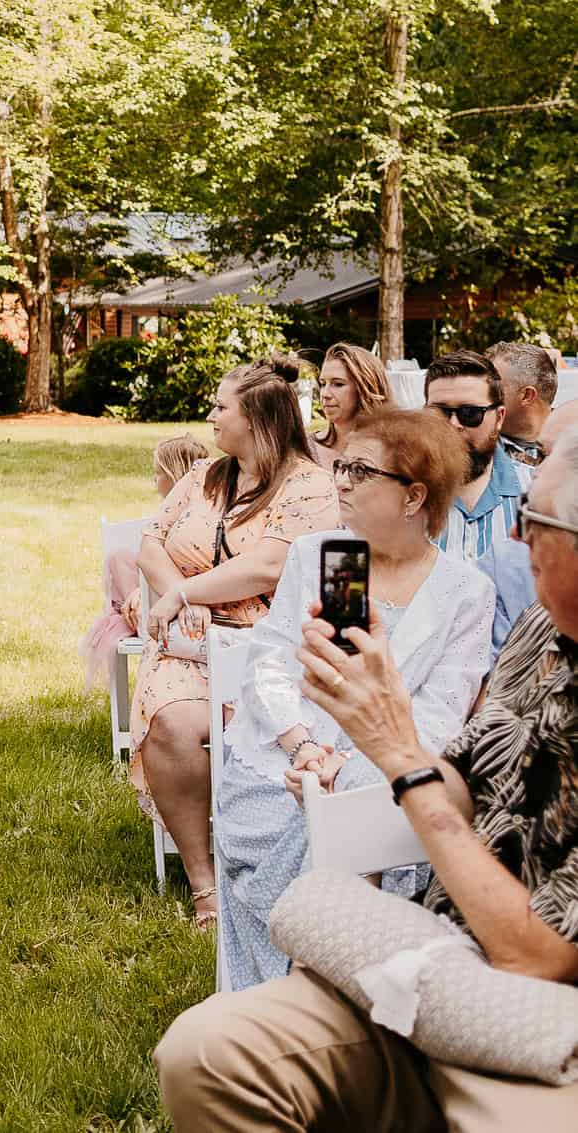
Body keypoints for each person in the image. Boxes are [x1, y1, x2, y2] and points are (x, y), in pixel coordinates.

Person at [154, 430, 578, 1131]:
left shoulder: (464, 589)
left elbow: (537, 954)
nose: (515, 532)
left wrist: (392, 756)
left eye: (536, 519)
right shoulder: (537, 629)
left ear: (414, 496)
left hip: (535, 1010)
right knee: (201, 1052)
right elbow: (459, 764)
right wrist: (333, 751)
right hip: (431, 942)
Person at [213, 410, 493, 989]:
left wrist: (350, 768)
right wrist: (306, 747)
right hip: (280, 764)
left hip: (384, 777)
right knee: (336, 839)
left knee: (365, 829)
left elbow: (439, 717)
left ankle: (307, 992)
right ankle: (316, 995)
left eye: (360, 472)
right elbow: (272, 663)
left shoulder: (464, 591)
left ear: (414, 496)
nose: (339, 481)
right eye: (342, 466)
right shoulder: (334, 558)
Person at [130, 355, 339, 926]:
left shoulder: (311, 487)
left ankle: (276, 861)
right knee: (172, 723)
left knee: (272, 729)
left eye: (222, 407)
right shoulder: (205, 477)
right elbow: (151, 540)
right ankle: (204, 882)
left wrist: (186, 594)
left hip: (269, 649)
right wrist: (177, 593)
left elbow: (271, 566)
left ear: (258, 419)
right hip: (189, 649)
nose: (212, 416)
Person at [423, 349, 535, 653]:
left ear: (499, 417)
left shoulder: (537, 494)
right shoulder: (400, 498)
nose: (454, 425)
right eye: (440, 413)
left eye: (470, 414)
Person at [80, 434, 209, 687]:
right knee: (120, 557)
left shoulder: (194, 521)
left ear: (174, 475)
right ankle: (139, 609)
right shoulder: (159, 520)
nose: (154, 479)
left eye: (158, 473)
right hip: (160, 595)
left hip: (189, 602)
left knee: (122, 557)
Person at [307, 343, 390, 470]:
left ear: (365, 388)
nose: (325, 394)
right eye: (323, 384)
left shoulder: (391, 452)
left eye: (338, 384)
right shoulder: (306, 448)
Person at [486, 340, 559, 466]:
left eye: (493, 387)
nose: (480, 395)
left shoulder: (569, 446)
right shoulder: (473, 446)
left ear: (527, 395)